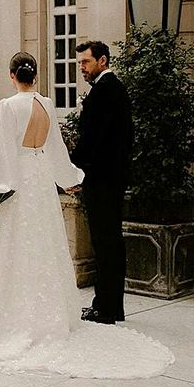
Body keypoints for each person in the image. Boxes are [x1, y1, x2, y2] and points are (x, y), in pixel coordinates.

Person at [0, 53, 171, 378]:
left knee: (14, 250)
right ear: (35, 75)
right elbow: (57, 149)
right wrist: (70, 180)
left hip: (19, 180)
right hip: (42, 184)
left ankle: (12, 321)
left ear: (11, 75)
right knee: (44, 245)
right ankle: (50, 317)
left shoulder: (9, 106)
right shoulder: (47, 104)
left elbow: (4, 150)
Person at [67, 40, 132, 325]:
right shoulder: (113, 89)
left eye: (86, 62)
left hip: (103, 180)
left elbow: (93, 142)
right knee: (111, 243)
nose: (82, 67)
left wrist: (74, 172)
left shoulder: (104, 92)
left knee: (104, 244)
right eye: (80, 62)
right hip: (112, 177)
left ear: (102, 61)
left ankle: (105, 308)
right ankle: (111, 306)